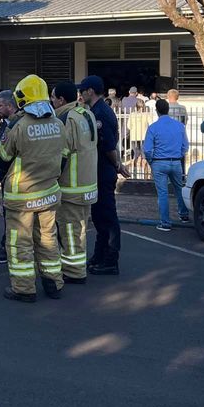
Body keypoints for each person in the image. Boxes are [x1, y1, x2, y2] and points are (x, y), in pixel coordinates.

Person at [0, 74, 64, 302]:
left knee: (20, 242)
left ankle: (24, 289)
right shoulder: (58, 124)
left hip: (22, 196)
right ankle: (53, 283)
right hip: (49, 193)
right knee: (48, 239)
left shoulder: (19, 126)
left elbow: (2, 158)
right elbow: (63, 156)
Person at [78, 75, 129, 276]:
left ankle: (110, 259)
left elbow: (108, 146)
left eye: (82, 91)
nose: (80, 95)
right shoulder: (95, 111)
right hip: (98, 171)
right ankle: (99, 256)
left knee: (107, 218)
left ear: (90, 91)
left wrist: (117, 164)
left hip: (103, 171)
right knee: (99, 217)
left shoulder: (101, 114)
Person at [51, 80, 98, 284]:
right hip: (88, 183)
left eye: (53, 97)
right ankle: (77, 267)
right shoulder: (86, 113)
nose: (51, 101)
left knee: (70, 230)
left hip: (71, 185)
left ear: (61, 99)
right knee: (79, 228)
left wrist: (51, 177)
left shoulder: (65, 118)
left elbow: (61, 154)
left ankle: (74, 271)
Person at [143, 98, 191, 231]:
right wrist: (178, 155)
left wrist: (151, 160)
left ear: (156, 110)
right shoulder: (179, 126)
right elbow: (185, 146)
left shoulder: (153, 127)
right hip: (175, 161)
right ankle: (184, 214)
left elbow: (147, 149)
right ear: (168, 109)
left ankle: (165, 222)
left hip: (159, 162)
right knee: (179, 189)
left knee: (163, 193)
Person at [0, 90, 19, 265]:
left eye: (0, 105)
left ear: (9, 105)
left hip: (14, 178)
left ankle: (8, 248)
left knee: (12, 216)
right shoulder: (6, 123)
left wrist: (1, 171)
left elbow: (6, 154)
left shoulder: (16, 124)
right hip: (8, 177)